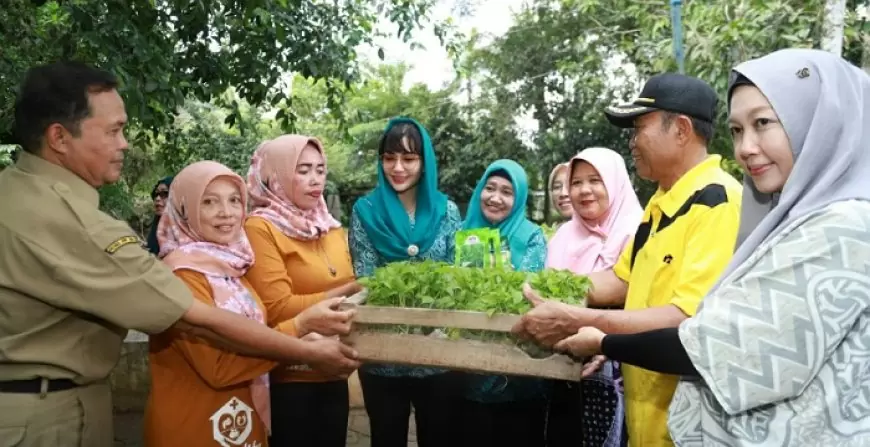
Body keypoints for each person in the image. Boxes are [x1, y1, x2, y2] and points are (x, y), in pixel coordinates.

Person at [0, 61, 359, 446]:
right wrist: (304, 338)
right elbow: (200, 324)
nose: (124, 143)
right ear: (59, 136)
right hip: (54, 416)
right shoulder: (76, 224)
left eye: (235, 200)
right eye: (114, 130)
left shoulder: (16, 193)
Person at [554, 48, 870, 447]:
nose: (746, 148)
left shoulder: (839, 227)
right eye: (738, 130)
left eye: (763, 124)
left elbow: (712, 342)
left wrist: (599, 335)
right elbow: (625, 284)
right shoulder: (780, 218)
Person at [513, 72, 743, 447]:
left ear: (681, 130)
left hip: (690, 425)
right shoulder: (660, 202)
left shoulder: (716, 202)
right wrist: (547, 292)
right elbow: (621, 281)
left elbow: (688, 319)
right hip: (648, 418)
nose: (633, 143)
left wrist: (579, 319)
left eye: (640, 128)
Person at [145, 161, 286, 446]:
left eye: (234, 200)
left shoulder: (230, 266)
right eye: (209, 202)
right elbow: (219, 368)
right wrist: (299, 333)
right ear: (184, 210)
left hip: (239, 420)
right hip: (195, 425)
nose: (227, 212)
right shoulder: (181, 274)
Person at [349, 117, 464, 447]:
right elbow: (367, 278)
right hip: (383, 359)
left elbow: (455, 276)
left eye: (409, 158)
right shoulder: (365, 211)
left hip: (438, 357)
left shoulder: (447, 211)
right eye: (389, 157)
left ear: (424, 162)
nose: (397, 167)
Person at [244, 135, 361, 447]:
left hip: (333, 371)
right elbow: (277, 307)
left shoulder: (328, 226)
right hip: (290, 378)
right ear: (275, 176)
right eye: (303, 170)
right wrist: (348, 291)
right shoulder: (260, 228)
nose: (315, 180)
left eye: (320, 170)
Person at [544, 147, 643, 447]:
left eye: (595, 180)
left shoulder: (638, 230)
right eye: (576, 182)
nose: (584, 190)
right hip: (560, 364)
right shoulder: (564, 236)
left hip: (617, 365)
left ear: (614, 182)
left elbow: (642, 297)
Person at [461, 159, 549, 447]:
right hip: (464, 370)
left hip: (519, 377)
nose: (496, 198)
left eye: (507, 192)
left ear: (519, 197)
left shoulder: (531, 237)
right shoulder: (462, 234)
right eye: (490, 188)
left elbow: (529, 292)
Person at [146, 175, 173, 254]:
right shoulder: (156, 230)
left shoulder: (189, 235)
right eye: (155, 194)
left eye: (164, 194)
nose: (157, 199)